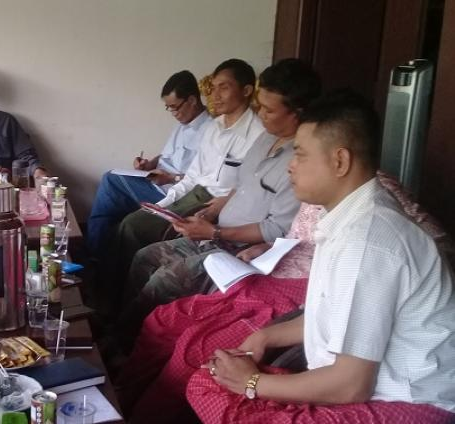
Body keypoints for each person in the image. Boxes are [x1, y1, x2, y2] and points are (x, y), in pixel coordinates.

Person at [186, 92, 455, 423]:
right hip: (363, 388)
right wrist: (266, 336)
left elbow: (351, 385)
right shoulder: (350, 217)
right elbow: (331, 317)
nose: (291, 165)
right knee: (208, 381)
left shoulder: (367, 240)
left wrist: (252, 382)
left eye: (300, 154)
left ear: (340, 161)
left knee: (221, 393)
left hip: (410, 405)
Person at [110, 58, 321, 355]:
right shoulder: (265, 139)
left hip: (238, 248)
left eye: (269, 110)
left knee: (161, 282)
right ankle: (123, 334)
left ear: (298, 112)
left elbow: (276, 229)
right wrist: (210, 214)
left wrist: (215, 232)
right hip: (217, 230)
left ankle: (126, 350)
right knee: (143, 258)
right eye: (260, 106)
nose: (260, 114)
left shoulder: (300, 162)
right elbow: (239, 186)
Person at [102, 59, 265, 311]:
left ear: (246, 90)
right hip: (194, 193)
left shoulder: (259, 134)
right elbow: (192, 176)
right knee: (134, 221)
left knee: (133, 227)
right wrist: (162, 205)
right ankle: (113, 295)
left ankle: (117, 302)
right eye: (213, 87)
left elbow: (247, 188)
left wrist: (217, 207)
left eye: (224, 87)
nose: (215, 95)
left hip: (216, 202)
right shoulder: (214, 127)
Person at [86, 70, 211, 257]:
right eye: (168, 108)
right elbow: (168, 156)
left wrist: (171, 178)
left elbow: (204, 179)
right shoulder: (182, 124)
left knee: (110, 182)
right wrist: (149, 164)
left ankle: (95, 251)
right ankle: (97, 248)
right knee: (110, 184)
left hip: (173, 192)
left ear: (192, 100)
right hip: (157, 181)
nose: (173, 113)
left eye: (175, 107)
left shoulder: (211, 130)